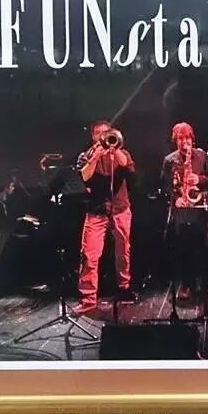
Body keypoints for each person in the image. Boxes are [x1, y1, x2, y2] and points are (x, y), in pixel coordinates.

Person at [75, 120, 137, 313]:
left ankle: (124, 288)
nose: (103, 136)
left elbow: (127, 167)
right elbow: (84, 177)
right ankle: (88, 298)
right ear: (93, 136)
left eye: (107, 132)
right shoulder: (86, 155)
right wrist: (95, 157)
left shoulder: (122, 153)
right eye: (99, 133)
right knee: (90, 255)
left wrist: (114, 150)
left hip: (120, 208)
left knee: (123, 251)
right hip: (97, 210)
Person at [161, 121, 208, 301]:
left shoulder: (201, 156)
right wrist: (175, 198)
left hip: (200, 208)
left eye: (187, 138)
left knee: (207, 246)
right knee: (184, 248)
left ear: (192, 139)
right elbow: (164, 185)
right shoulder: (169, 160)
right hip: (182, 209)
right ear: (175, 140)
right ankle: (187, 285)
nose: (184, 142)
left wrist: (199, 179)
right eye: (180, 138)